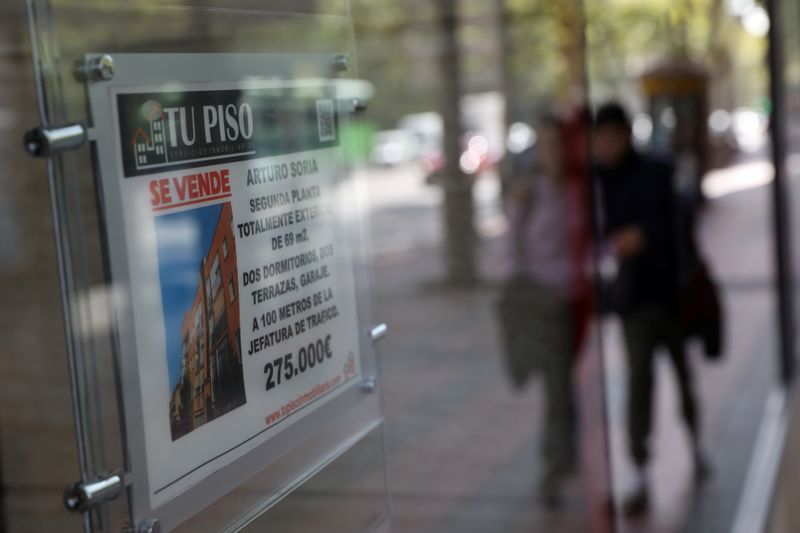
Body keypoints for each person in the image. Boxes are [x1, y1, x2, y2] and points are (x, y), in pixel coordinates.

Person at [592, 102, 708, 516]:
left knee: (682, 378)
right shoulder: (597, 182)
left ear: (625, 135)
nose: (603, 147)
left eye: (609, 138)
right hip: (633, 303)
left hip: (670, 296)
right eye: (598, 140)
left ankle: (696, 445)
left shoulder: (656, 171)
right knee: (639, 386)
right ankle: (639, 470)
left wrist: (644, 236)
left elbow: (680, 219)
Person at [503, 110, 591, 507]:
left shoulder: (580, 190)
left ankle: (568, 454)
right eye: (545, 144)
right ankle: (554, 468)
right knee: (558, 389)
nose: (551, 152)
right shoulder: (529, 192)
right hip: (544, 305)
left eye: (558, 143)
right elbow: (510, 252)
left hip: (579, 303)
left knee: (567, 385)